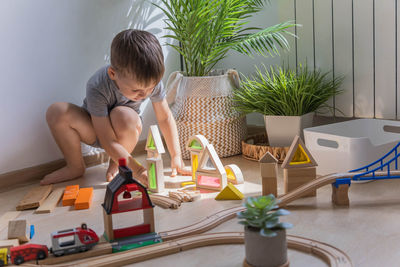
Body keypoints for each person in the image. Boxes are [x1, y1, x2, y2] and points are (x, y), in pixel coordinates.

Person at [41, 29, 188, 185]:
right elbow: (107, 140)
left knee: (124, 115)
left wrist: (176, 155)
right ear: (112, 73)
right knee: (57, 111)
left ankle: (116, 163)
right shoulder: (97, 85)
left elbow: (165, 117)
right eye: (136, 90)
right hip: (96, 129)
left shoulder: (151, 81)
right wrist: (138, 171)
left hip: (124, 130)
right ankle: (75, 166)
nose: (144, 94)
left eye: (150, 88)